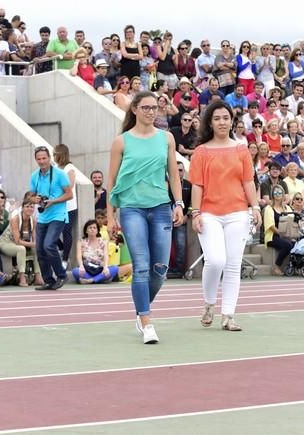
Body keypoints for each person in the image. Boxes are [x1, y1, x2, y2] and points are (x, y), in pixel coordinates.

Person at [107, 91, 184, 344]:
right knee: (141, 265)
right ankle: (146, 319)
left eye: (155, 108)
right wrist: (110, 215)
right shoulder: (121, 141)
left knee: (159, 270)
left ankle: (141, 307)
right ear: (135, 110)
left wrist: (179, 204)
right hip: (132, 209)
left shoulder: (167, 138)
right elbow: (111, 181)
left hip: (161, 207)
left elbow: (174, 174)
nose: (151, 112)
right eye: (146, 107)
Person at [189, 99, 262, 331]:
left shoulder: (241, 148)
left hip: (238, 213)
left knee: (232, 265)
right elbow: (197, 185)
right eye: (217, 118)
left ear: (232, 121)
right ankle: (209, 303)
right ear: (210, 122)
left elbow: (248, 181)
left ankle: (228, 314)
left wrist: (256, 207)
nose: (222, 122)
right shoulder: (201, 152)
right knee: (215, 260)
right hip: (209, 213)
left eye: (226, 118)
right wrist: (196, 213)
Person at [30, 146, 73, 291]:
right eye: (39, 159)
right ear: (36, 160)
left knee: (49, 245)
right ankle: (48, 280)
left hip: (58, 215)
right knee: (40, 249)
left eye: (44, 158)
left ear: (49, 158)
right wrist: (35, 199)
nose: (42, 161)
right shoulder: (34, 176)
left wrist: (53, 201)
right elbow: (30, 195)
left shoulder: (60, 174)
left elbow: (69, 195)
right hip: (43, 216)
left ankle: (61, 275)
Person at [0, 198, 42, 287]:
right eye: (27, 206)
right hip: (6, 243)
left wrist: (36, 244)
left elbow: (34, 238)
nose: (30, 209)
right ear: (22, 208)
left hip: (21, 243)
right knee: (21, 249)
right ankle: (22, 278)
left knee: (37, 249)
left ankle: (38, 276)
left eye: (32, 207)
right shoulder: (15, 219)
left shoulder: (33, 220)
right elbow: (18, 241)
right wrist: (33, 244)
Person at [53, 144, 78, 270]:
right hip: (57, 205)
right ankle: (62, 248)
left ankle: (65, 259)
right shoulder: (56, 167)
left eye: (56, 153)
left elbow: (70, 185)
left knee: (66, 231)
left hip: (68, 206)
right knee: (52, 230)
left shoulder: (69, 168)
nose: (54, 156)